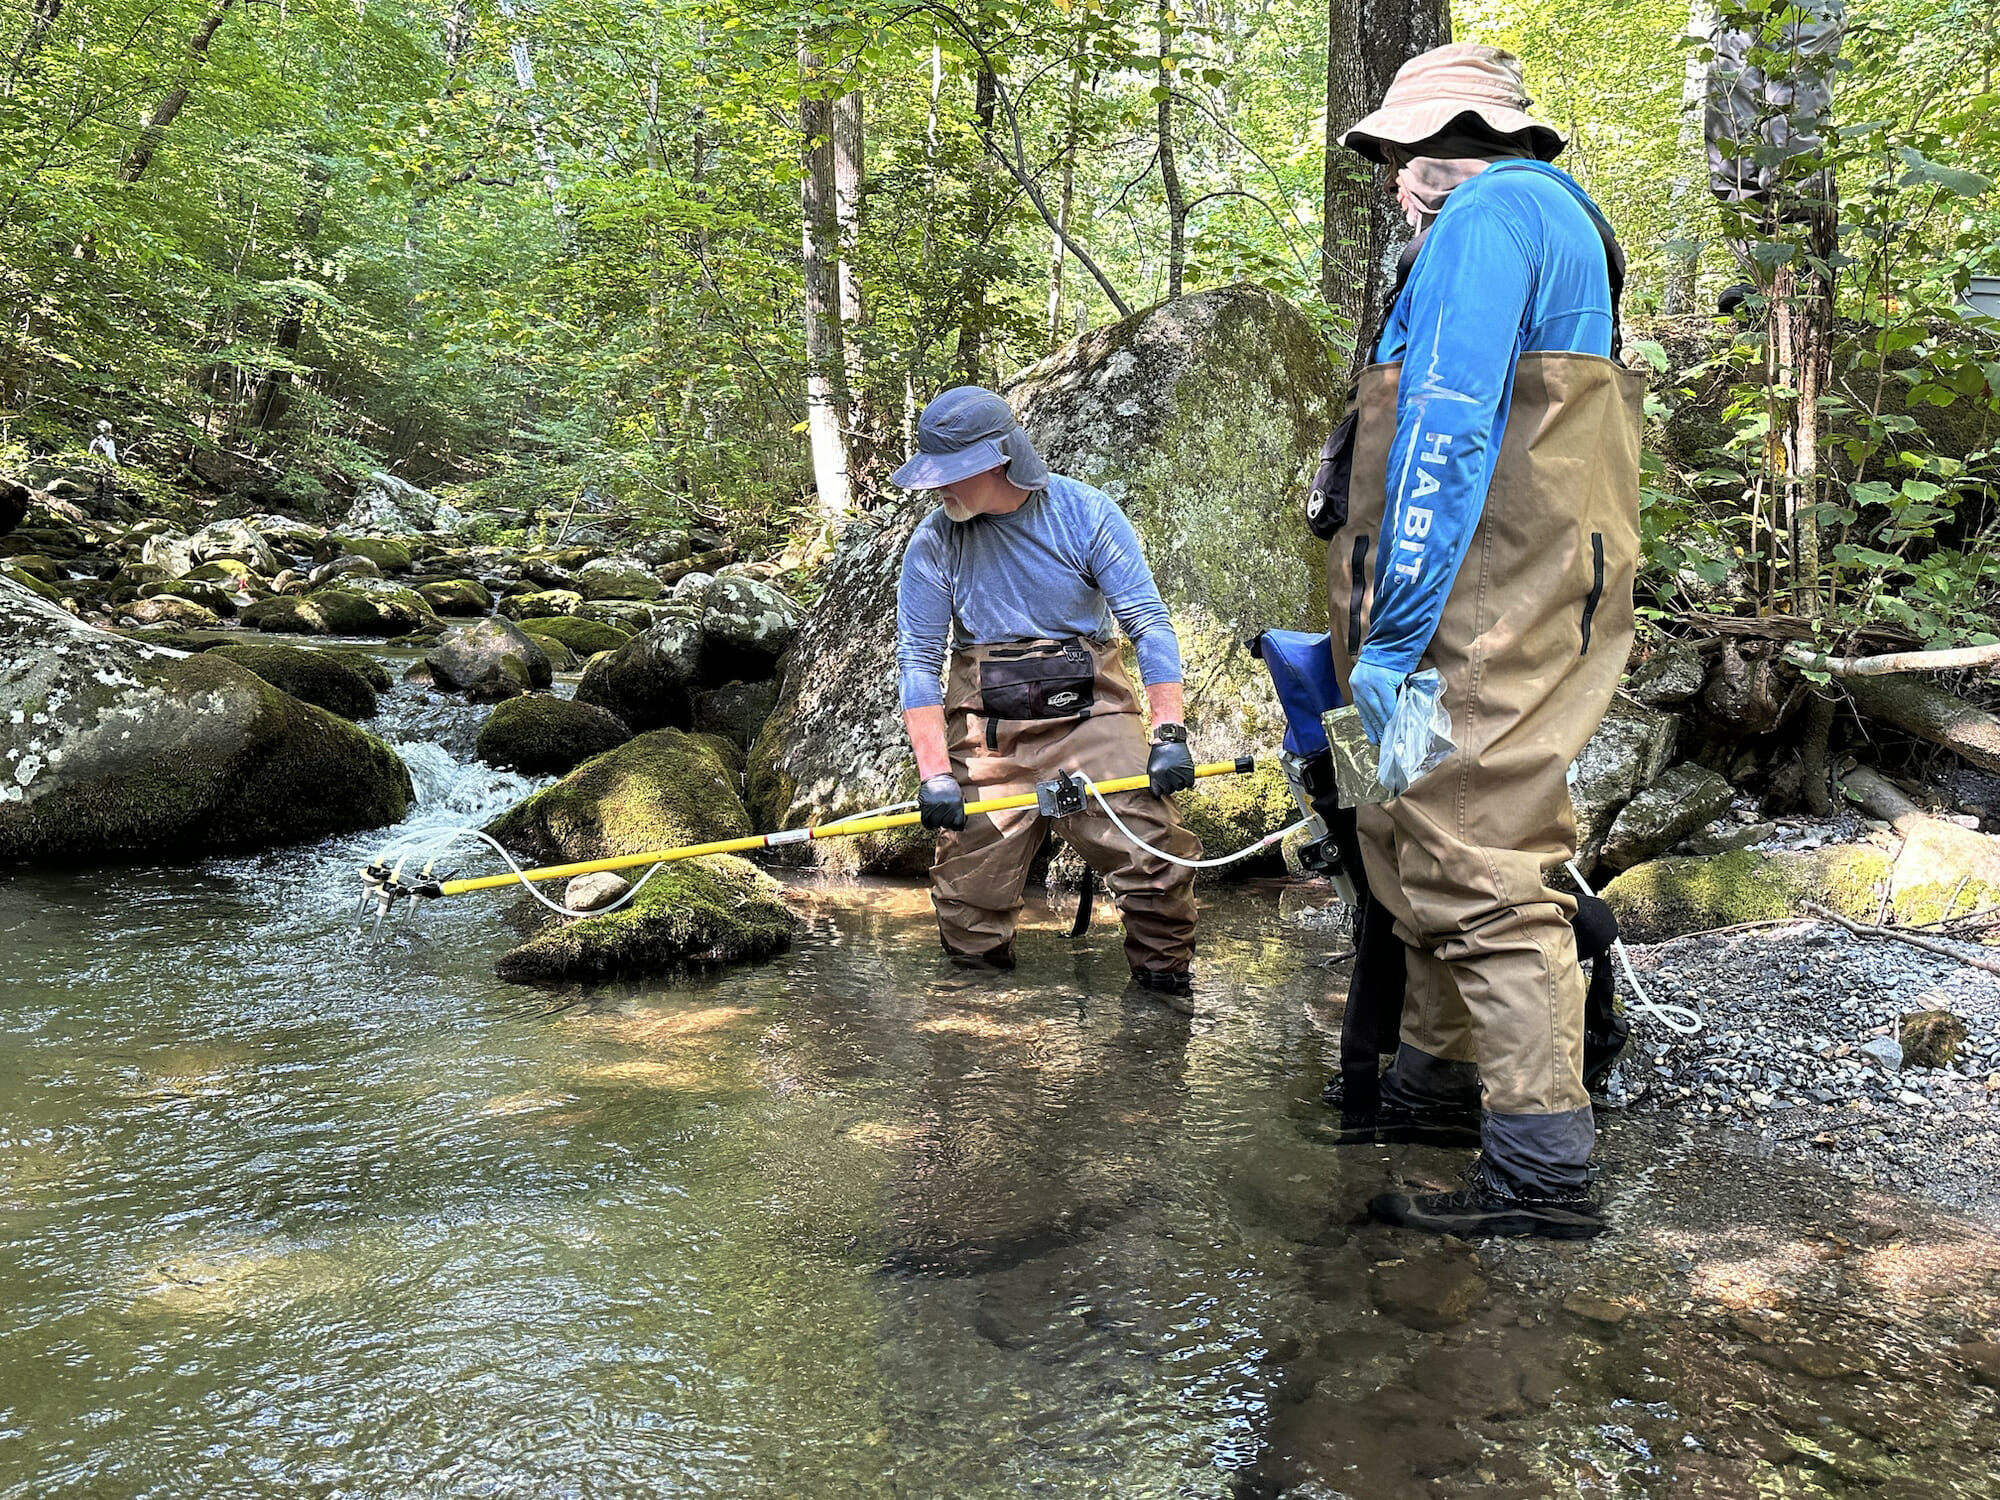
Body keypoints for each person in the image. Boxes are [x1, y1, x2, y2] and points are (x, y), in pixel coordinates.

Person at [1320, 44, 1643, 1238]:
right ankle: (1431, 1097)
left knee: (1475, 867)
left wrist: (1393, 645)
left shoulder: (1487, 215)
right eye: (1392, 156)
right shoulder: (1553, 218)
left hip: (1457, 615)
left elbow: (1446, 434)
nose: (1399, 175)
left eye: (1406, 150)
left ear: (1457, 141)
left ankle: (1537, 1178)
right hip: (1477, 604)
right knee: (1399, 849)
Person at [893, 385, 1204, 1000]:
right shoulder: (934, 542)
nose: (935, 487)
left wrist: (1168, 735)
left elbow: (1147, 622)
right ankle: (976, 1027)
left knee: (1155, 861)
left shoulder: (1084, 513)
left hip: (1092, 712)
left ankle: (1163, 1009)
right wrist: (935, 776)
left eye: (949, 473)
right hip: (989, 724)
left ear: (999, 458)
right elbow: (919, 661)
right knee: (968, 892)